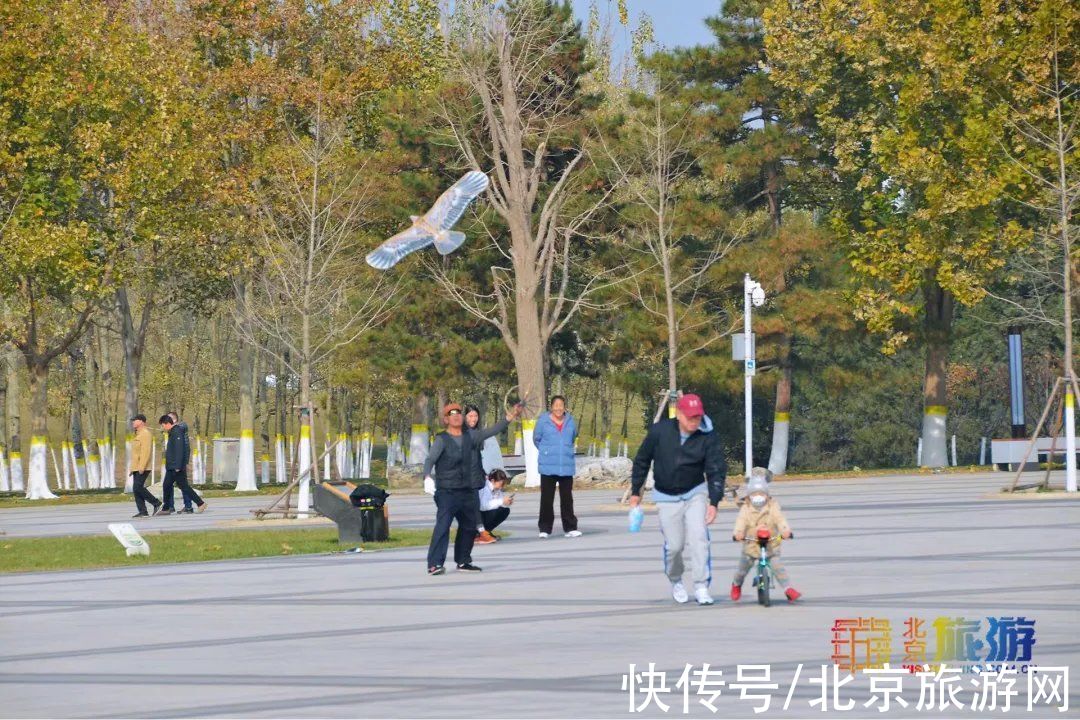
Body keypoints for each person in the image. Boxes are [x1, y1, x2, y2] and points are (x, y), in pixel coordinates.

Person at [630, 393, 727, 606]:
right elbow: (642, 460)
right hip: (666, 495)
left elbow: (715, 468)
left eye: (698, 417)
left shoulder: (707, 435)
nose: (695, 421)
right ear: (679, 415)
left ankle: (701, 586)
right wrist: (636, 491)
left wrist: (714, 502)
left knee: (699, 538)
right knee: (674, 546)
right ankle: (676, 580)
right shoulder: (660, 432)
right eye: (691, 417)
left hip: (695, 493)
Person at [423, 402, 521, 574]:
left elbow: (492, 431)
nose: (455, 416)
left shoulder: (472, 437)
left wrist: (510, 417)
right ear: (446, 419)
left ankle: (463, 561)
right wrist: (427, 477)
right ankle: (434, 564)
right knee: (443, 525)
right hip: (447, 491)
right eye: (451, 414)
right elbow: (430, 460)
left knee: (469, 525)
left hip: (467, 490)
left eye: (458, 414)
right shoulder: (442, 439)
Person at [731, 469, 801, 602]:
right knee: (743, 568)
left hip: (771, 543)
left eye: (761, 494)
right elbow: (741, 521)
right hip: (751, 543)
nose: (758, 497)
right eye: (755, 494)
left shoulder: (772, 506)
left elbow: (780, 519)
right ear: (749, 495)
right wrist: (738, 533)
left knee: (777, 566)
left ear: (767, 495)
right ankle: (736, 585)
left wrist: (785, 531)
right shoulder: (746, 508)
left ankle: (788, 589)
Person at [532, 395, 580, 538]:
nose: (559, 408)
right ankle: (545, 529)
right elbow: (536, 439)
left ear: (565, 407)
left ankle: (570, 527)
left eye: (561, 405)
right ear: (551, 407)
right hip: (548, 466)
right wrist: (546, 451)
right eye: (556, 405)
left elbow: (573, 437)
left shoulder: (571, 421)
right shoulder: (543, 421)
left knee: (567, 498)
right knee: (547, 499)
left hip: (566, 465)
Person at [158, 415, 206, 515]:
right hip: (172, 465)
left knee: (179, 486)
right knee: (171, 485)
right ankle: (199, 503)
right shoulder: (173, 432)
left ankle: (200, 503)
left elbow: (180, 450)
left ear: (167, 423)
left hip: (176, 466)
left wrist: (178, 466)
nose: (163, 428)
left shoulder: (177, 432)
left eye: (163, 425)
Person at [129, 414, 161, 518]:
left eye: (135, 420)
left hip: (143, 467)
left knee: (138, 487)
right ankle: (143, 511)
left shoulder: (145, 434)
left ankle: (157, 503)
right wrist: (132, 468)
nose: (133, 422)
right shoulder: (138, 434)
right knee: (136, 489)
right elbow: (135, 454)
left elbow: (145, 452)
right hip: (136, 467)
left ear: (141, 422)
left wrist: (142, 466)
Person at [167, 411, 197, 513]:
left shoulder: (179, 429)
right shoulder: (173, 430)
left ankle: (188, 506)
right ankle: (180, 506)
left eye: (169, 419)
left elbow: (183, 448)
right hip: (175, 462)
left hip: (179, 463)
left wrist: (181, 463)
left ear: (174, 420)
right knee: (172, 484)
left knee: (180, 484)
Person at [475, 469, 513, 544]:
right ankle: (478, 533)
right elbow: (483, 506)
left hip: (484, 513)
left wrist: (506, 502)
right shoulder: (485, 488)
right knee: (495, 511)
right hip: (477, 515)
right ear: (492, 481)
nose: (502, 486)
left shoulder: (497, 489)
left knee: (504, 511)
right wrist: (501, 501)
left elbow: (499, 503)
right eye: (501, 483)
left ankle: (486, 531)